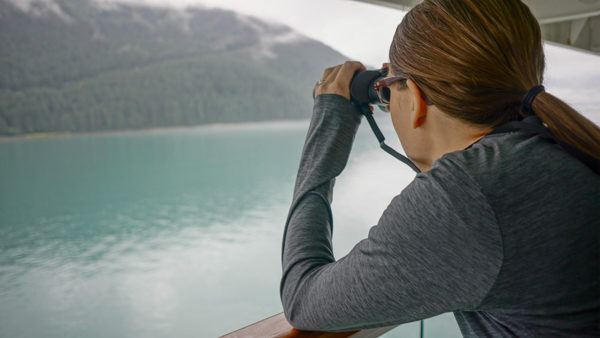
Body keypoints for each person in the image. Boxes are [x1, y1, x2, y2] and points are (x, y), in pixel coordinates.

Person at [279, 0, 600, 337]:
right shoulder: (561, 152)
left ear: (414, 98)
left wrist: (328, 127)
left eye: (389, 90)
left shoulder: (467, 195)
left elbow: (302, 301)